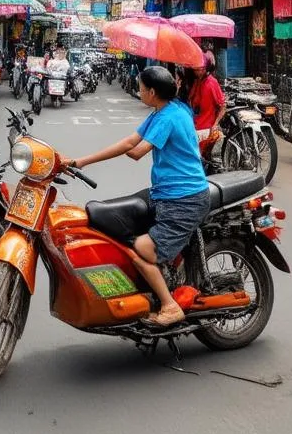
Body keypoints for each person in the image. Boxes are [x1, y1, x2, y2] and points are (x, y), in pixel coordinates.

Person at [61, 65, 210, 328]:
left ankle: (169, 305)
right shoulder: (167, 110)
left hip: (183, 199)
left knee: (141, 248)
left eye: (141, 88)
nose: (138, 91)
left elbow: (136, 151)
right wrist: (81, 161)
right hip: (165, 193)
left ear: (152, 92)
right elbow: (129, 141)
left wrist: (128, 150)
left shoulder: (167, 118)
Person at [189, 51, 226, 140]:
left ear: (206, 69)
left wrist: (215, 125)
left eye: (199, 69)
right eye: (195, 70)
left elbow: (223, 106)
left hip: (205, 128)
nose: (196, 72)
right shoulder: (197, 81)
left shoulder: (212, 83)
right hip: (194, 124)